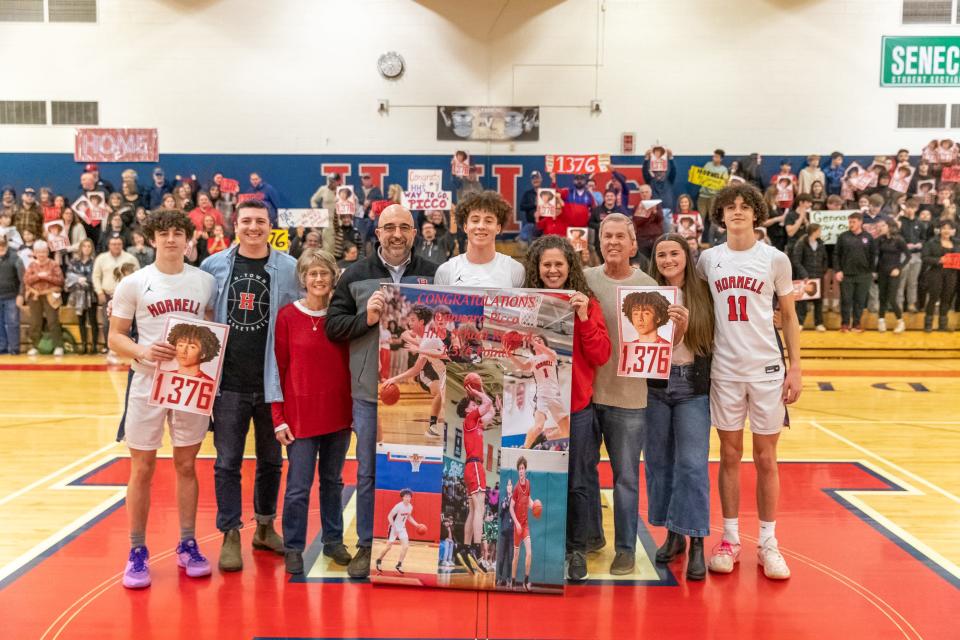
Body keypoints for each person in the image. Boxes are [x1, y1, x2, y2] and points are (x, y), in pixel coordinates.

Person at [696, 184, 802, 581]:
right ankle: (730, 539)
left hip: (767, 369)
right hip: (724, 369)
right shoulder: (708, 260)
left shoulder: (775, 259)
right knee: (727, 454)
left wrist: (796, 367)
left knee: (765, 458)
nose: (737, 212)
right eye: (729, 207)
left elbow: (789, 317)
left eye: (744, 207)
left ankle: (769, 542)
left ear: (756, 214)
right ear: (720, 215)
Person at [326, 204, 438, 578]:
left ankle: (428, 542)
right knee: (369, 471)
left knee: (421, 469)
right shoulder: (355, 275)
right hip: (370, 392)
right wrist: (366, 319)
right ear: (377, 232)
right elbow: (334, 326)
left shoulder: (435, 274)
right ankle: (366, 544)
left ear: (414, 232)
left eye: (403, 227)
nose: (395, 234)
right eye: (388, 227)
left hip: (420, 391)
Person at [108, 208, 218, 589]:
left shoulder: (205, 282)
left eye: (178, 232)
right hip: (146, 383)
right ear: (152, 238)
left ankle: (187, 543)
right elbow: (115, 337)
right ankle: (137, 550)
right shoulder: (134, 283)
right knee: (142, 467)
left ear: (188, 238)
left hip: (189, 383)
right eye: (164, 233)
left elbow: (210, 328)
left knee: (187, 464)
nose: (171, 239)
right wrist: (141, 350)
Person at [199, 200, 300, 571]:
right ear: (235, 224)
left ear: (270, 225)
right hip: (229, 383)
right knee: (227, 462)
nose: (253, 227)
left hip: (273, 383)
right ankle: (230, 533)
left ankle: (264, 526)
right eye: (246, 221)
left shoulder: (289, 268)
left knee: (272, 460)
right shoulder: (213, 266)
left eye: (260, 221)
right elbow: (197, 313)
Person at [521, 234, 610, 581]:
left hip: (578, 408)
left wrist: (585, 317)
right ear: (537, 269)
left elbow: (601, 354)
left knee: (580, 482)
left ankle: (577, 549)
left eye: (560, 263)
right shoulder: (527, 305)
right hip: (541, 403)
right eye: (547, 264)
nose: (554, 269)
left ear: (570, 266)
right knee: (542, 479)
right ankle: (547, 545)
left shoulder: (585, 302)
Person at [584, 213, 658, 574]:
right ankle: (592, 537)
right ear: (598, 243)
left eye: (619, 237)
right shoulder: (583, 282)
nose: (612, 242)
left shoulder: (649, 286)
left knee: (626, 477)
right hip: (585, 397)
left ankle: (626, 548)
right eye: (606, 236)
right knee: (583, 474)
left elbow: (659, 345)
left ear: (632, 245)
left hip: (629, 399)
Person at [272, 249, 353, 574]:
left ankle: (333, 540)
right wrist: (277, 418)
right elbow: (277, 369)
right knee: (297, 486)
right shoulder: (287, 317)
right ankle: (293, 545)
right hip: (299, 417)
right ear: (303, 278)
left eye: (324, 273)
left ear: (333, 276)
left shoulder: (341, 314)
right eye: (312, 274)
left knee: (332, 482)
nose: (318, 279)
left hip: (338, 414)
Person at [644, 233, 713, 581]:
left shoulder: (702, 293)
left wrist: (685, 329)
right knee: (659, 464)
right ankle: (673, 534)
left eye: (674, 253)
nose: (668, 260)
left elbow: (708, 341)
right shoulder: (646, 295)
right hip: (655, 386)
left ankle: (697, 537)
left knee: (692, 464)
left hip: (691, 385)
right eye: (661, 255)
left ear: (686, 255)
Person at [434, 191, 525, 287]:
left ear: (498, 228)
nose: (481, 226)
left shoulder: (515, 270)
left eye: (488, 221)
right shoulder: (446, 271)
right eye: (475, 220)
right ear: (465, 227)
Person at [92, 236, 139, 357]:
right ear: (109, 245)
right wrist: (99, 292)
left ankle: (128, 348)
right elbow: (96, 276)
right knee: (108, 322)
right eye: (113, 244)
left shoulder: (130, 258)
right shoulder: (101, 258)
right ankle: (111, 348)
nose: (116, 246)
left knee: (128, 322)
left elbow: (139, 276)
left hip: (128, 296)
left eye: (118, 244)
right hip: (108, 294)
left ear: (122, 244)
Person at [834, 212, 877, 332]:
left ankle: (856, 324)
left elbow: (873, 255)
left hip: (864, 275)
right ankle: (845, 324)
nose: (851, 224)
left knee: (860, 301)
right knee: (846, 300)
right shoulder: (843, 236)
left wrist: (872, 271)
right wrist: (838, 270)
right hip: (846, 274)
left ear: (860, 222)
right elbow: (836, 254)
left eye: (853, 222)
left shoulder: (868, 237)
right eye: (849, 222)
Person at [375, 489, 424, 575]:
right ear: (402, 497)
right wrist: (394, 527)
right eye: (406, 497)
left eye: (409, 497)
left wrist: (416, 525)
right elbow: (389, 516)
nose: (408, 498)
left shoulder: (410, 507)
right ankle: (379, 560)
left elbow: (409, 517)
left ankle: (399, 564)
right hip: (393, 528)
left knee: (405, 546)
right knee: (388, 547)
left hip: (402, 528)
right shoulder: (398, 506)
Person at [790, 223, 828, 331]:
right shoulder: (801, 243)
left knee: (819, 301)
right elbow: (796, 261)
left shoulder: (820, 244)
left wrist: (823, 271)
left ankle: (819, 323)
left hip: (818, 276)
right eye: (819, 230)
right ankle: (800, 323)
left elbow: (825, 259)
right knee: (802, 302)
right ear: (814, 231)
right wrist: (804, 274)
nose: (820, 232)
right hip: (805, 277)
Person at [921, 220, 956, 332]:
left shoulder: (957, 243)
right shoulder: (931, 242)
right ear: (939, 230)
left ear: (952, 231)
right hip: (936, 273)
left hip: (951, 273)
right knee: (933, 298)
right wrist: (938, 260)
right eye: (944, 228)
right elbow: (925, 257)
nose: (946, 230)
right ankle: (928, 325)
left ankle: (943, 325)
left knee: (947, 299)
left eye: (949, 228)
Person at [875, 218, 908, 333]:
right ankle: (881, 321)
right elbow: (877, 256)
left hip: (894, 272)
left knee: (892, 298)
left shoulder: (899, 240)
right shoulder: (880, 239)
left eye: (883, 225)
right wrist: (875, 271)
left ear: (889, 227)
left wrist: (899, 268)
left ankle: (900, 322)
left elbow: (907, 256)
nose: (881, 228)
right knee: (882, 297)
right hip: (882, 271)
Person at [509, 456, 537, 591]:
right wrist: (516, 523)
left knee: (529, 553)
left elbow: (529, 499)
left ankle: (525, 581)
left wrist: (535, 506)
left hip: (525, 525)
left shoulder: (529, 484)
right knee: (516, 556)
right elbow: (510, 508)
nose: (521, 471)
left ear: (525, 470)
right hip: (517, 526)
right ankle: (513, 581)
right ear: (518, 471)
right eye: (519, 469)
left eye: (522, 468)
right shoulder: (515, 488)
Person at [897, 198, 926, 313]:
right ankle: (898, 304)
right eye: (909, 207)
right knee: (901, 281)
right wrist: (904, 244)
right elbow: (896, 236)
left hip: (916, 255)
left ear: (917, 209)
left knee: (913, 281)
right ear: (905, 208)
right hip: (903, 254)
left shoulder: (920, 223)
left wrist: (920, 244)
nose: (910, 210)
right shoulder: (900, 221)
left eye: (913, 208)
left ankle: (911, 304)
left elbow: (924, 238)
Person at [696, 150, 728, 239]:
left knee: (713, 220)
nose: (714, 158)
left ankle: (712, 241)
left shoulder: (723, 170)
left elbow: (724, 184)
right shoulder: (708, 165)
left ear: (721, 159)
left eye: (717, 157)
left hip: (714, 197)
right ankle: (698, 241)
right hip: (703, 195)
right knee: (700, 219)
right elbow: (702, 178)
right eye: (714, 156)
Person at [0, 236, 23, 354]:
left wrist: (20, 294)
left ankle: (14, 348)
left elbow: (22, 279)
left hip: (12, 296)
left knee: (13, 323)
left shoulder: (15, 258)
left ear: (6, 244)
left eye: (2, 245)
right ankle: (1, 347)